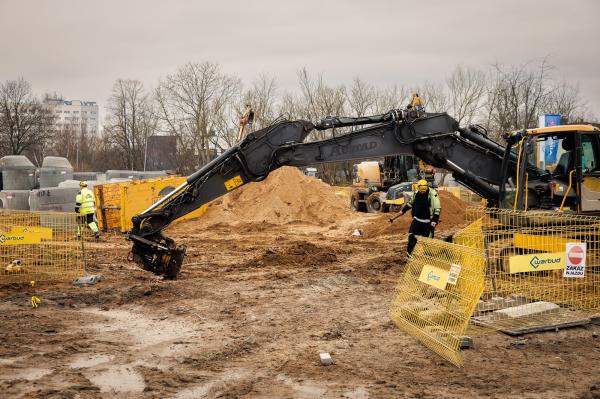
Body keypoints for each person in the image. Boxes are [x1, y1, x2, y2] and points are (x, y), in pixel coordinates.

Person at [400, 179, 441, 256]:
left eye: (424, 190)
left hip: (428, 223)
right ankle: (409, 256)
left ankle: (427, 257)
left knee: (427, 242)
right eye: (421, 190)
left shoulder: (433, 194)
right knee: (412, 238)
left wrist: (434, 220)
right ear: (418, 188)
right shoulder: (416, 193)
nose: (422, 192)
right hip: (417, 221)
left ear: (427, 187)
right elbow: (411, 203)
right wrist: (403, 210)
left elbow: (437, 208)